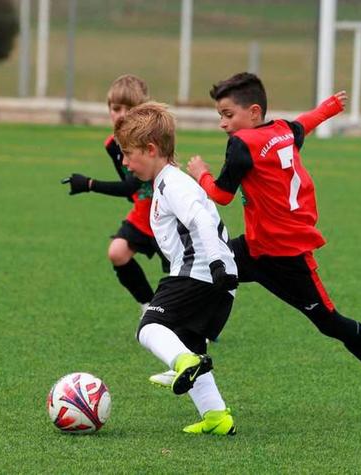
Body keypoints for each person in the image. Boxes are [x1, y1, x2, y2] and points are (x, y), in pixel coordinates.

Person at [186, 72, 361, 418]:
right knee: (197, 271)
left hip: (287, 257)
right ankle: (185, 356)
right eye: (220, 115)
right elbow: (303, 125)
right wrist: (329, 107)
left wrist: (200, 172)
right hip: (256, 247)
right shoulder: (280, 130)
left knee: (331, 323)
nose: (222, 124)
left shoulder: (242, 144)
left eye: (227, 114)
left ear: (253, 112)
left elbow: (220, 194)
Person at [115, 102, 239, 435]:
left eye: (128, 154)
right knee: (190, 342)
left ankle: (181, 362)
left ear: (151, 149)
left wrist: (214, 263)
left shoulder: (174, 184)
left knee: (149, 327)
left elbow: (200, 219)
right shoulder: (165, 184)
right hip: (214, 281)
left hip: (201, 275)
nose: (125, 163)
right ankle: (216, 418)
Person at [62, 75, 167, 314]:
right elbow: (129, 184)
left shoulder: (150, 140)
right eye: (116, 108)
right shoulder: (113, 144)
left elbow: (130, 185)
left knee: (180, 274)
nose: (121, 114)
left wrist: (89, 184)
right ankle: (149, 306)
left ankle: (200, 321)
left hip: (167, 214)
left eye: (129, 109)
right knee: (118, 252)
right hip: (143, 212)